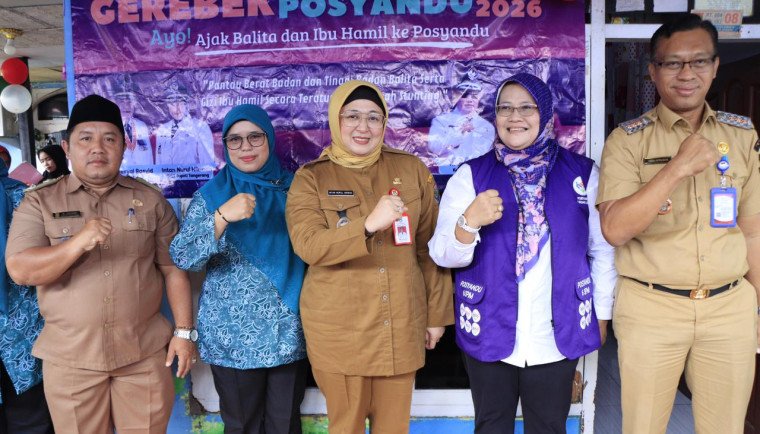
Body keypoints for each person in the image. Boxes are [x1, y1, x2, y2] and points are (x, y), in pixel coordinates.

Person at [596, 14, 760, 434]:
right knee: (643, 427)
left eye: (699, 61)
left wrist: (758, 307)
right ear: (653, 71)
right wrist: (676, 168)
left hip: (729, 307)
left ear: (715, 66)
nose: (687, 74)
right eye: (672, 63)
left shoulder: (742, 135)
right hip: (652, 307)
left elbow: (752, 230)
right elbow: (614, 228)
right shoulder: (628, 141)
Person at [429, 72, 616, 433]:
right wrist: (469, 222)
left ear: (545, 115)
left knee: (548, 426)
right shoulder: (471, 176)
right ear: (495, 116)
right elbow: (443, 255)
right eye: (505, 108)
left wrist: (602, 314)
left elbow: (602, 251)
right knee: (491, 426)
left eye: (527, 108)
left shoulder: (581, 174)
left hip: (556, 332)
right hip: (489, 326)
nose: (515, 117)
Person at [5, 94, 196, 433]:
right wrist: (78, 242)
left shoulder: (150, 200)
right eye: (85, 139)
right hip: (71, 361)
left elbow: (173, 268)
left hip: (143, 355)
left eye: (109, 139)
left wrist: (184, 332)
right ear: (67, 147)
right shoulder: (38, 203)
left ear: (124, 146)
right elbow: (21, 270)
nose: (98, 148)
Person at [286, 80, 453, 433]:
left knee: (394, 428)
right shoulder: (311, 178)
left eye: (374, 117)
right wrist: (366, 225)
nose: (363, 127)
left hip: (400, 325)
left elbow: (429, 248)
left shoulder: (411, 170)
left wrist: (436, 315)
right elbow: (309, 246)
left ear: (384, 123)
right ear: (336, 120)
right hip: (340, 333)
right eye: (352, 116)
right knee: (345, 426)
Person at [170, 104, 307, 434]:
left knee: (285, 425)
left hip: (289, 331)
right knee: (242, 425)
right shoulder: (212, 196)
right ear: (225, 145)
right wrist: (221, 218)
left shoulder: (297, 189)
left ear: (269, 139)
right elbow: (183, 257)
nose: (246, 147)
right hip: (232, 336)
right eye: (235, 139)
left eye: (255, 137)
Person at [0, 158, 54, 434]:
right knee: (31, 419)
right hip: (25, 331)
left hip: (22, 333)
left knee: (30, 416)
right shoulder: (25, 196)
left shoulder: (26, 199)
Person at [428, 79, 495, 169]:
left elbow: (487, 154)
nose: (470, 100)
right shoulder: (441, 121)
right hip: (447, 170)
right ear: (457, 98)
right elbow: (435, 148)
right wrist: (459, 133)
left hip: (476, 170)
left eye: (474, 97)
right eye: (465, 96)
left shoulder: (486, 126)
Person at [155, 78, 215, 167]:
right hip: (167, 176)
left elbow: (207, 164)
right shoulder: (162, 129)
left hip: (192, 176)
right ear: (167, 105)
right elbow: (159, 163)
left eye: (181, 102)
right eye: (172, 103)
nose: (177, 108)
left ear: (187, 103)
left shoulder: (200, 127)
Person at [114, 80, 153, 167]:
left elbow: (149, 156)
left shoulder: (141, 126)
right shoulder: (110, 127)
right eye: (122, 102)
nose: (126, 106)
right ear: (116, 103)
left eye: (129, 101)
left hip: (142, 174)